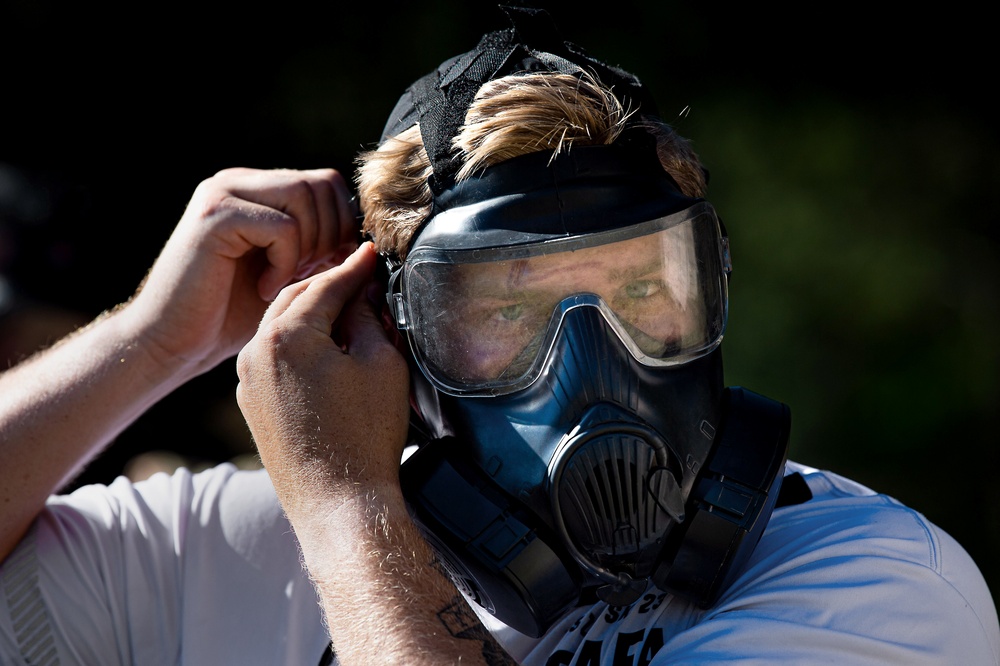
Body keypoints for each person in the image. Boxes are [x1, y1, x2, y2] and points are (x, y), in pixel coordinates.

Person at [2, 8, 998, 665]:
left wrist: (353, 517)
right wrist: (147, 343)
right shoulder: (247, 544)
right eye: (507, 311)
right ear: (394, 337)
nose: (596, 361)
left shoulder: (876, 581)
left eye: (644, 288)